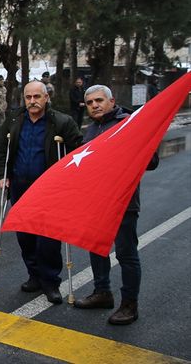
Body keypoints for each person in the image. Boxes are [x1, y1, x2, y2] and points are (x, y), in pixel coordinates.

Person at [73, 85, 159, 325]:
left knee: (126, 254)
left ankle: (130, 305)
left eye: (99, 100)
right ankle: (102, 292)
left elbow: (151, 161)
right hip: (96, 201)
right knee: (96, 247)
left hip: (123, 202)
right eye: (89, 103)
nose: (94, 105)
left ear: (112, 101)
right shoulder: (91, 128)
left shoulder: (129, 123)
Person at [0, 81, 81, 303]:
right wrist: (2, 175)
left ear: (47, 97)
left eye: (37, 97)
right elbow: (2, 149)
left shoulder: (62, 122)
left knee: (48, 237)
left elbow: (77, 152)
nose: (32, 101)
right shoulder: (15, 120)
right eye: (28, 97)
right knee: (24, 234)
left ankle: (50, 281)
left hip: (49, 188)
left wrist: (68, 180)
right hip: (20, 185)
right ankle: (34, 275)